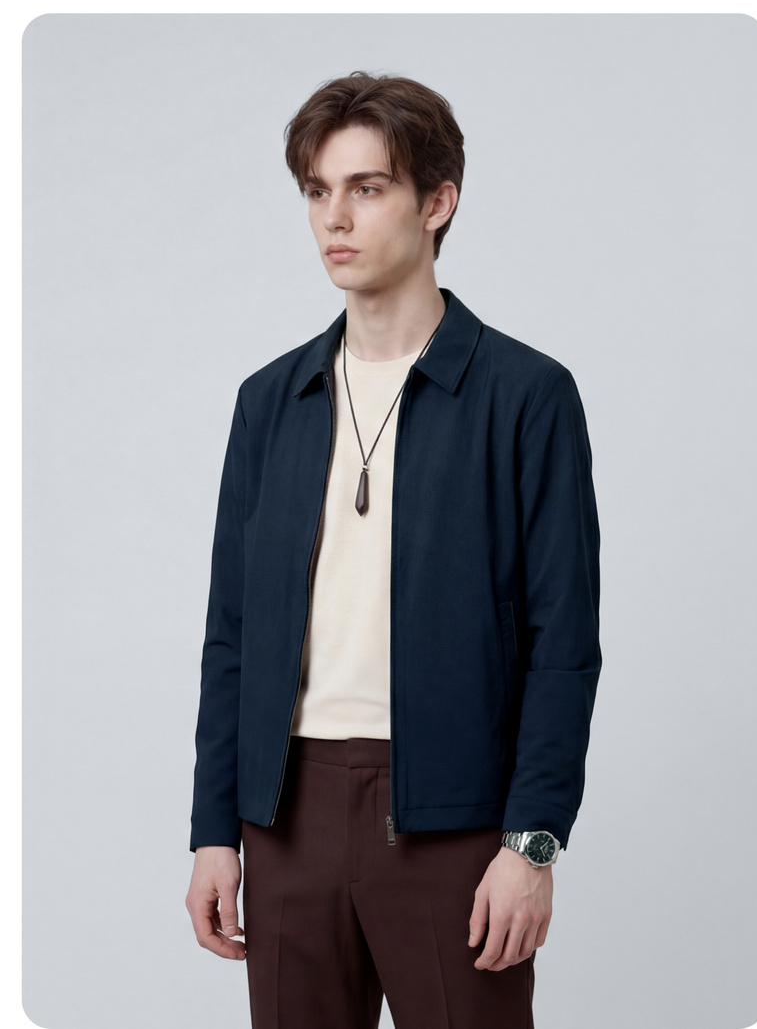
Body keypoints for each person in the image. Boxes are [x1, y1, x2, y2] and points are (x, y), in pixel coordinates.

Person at [185, 70, 602, 1029]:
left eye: (367, 188)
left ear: (437, 202)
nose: (335, 218)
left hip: (456, 823)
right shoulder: (269, 402)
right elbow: (232, 635)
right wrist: (213, 831)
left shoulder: (526, 397)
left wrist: (532, 844)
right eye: (317, 191)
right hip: (285, 817)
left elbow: (564, 643)